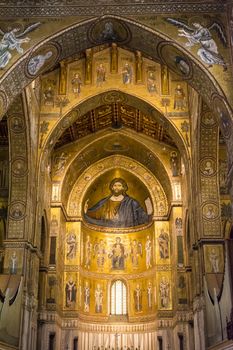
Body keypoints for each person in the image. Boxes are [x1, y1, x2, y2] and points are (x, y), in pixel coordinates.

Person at [84, 178, 150, 228]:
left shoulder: (131, 202)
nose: (116, 188)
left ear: (123, 188)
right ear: (112, 187)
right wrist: (86, 210)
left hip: (127, 231)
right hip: (106, 229)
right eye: (115, 185)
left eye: (119, 185)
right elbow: (94, 213)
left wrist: (149, 211)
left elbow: (143, 216)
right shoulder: (105, 202)